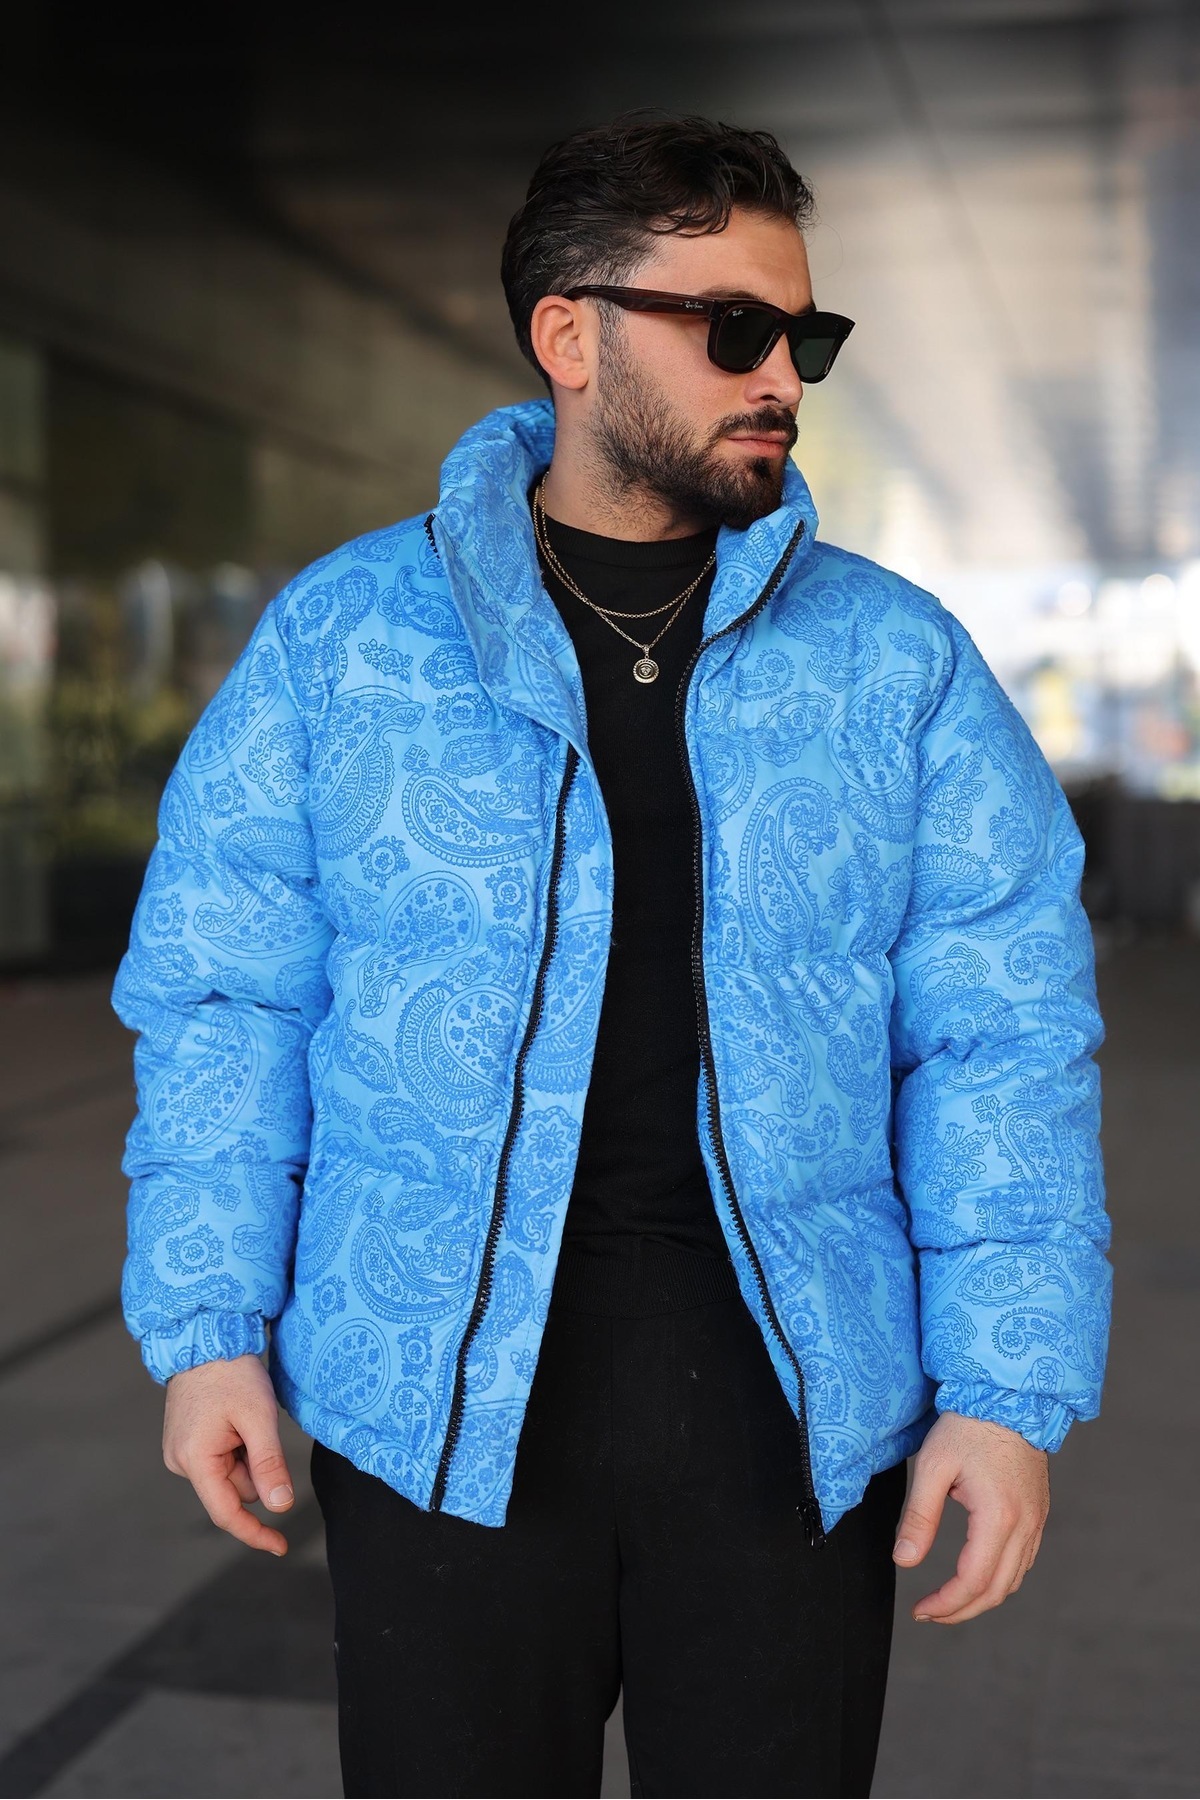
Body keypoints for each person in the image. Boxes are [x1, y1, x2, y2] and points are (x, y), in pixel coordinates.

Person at [113, 113, 1111, 1799]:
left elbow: (1003, 1034)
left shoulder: (897, 665)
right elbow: (227, 994)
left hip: (794, 1428)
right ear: (569, 338)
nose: (781, 375)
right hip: (429, 1411)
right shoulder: (348, 640)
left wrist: (1007, 1392)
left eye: (803, 335)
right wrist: (210, 1324)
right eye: (734, 328)